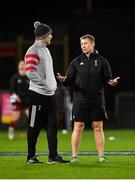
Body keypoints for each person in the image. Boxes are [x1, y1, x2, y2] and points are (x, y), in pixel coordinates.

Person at [57, 34, 120, 163]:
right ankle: (74, 157)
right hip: (80, 99)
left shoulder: (103, 61)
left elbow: (108, 78)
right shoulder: (75, 61)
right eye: (81, 44)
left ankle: (101, 156)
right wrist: (64, 80)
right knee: (78, 126)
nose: (83, 46)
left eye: (85, 43)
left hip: (97, 99)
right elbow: (69, 79)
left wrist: (111, 82)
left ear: (92, 44)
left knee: (98, 126)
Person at [24, 21, 69, 164]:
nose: (52, 37)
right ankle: (30, 157)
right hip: (37, 95)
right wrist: (45, 85)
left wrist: (51, 85)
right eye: (50, 34)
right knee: (34, 127)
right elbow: (30, 72)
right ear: (44, 35)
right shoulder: (33, 50)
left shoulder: (45, 49)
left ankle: (53, 156)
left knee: (52, 126)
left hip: (49, 96)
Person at [8, 60, 29, 140]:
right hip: (17, 100)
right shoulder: (15, 77)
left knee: (31, 116)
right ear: (18, 66)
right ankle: (11, 130)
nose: (22, 65)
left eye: (23, 64)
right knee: (16, 117)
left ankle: (32, 134)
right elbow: (11, 89)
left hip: (26, 100)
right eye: (20, 64)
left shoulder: (29, 77)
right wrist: (15, 95)